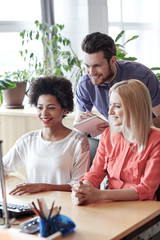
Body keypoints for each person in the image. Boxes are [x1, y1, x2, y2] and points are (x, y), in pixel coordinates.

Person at [72, 79, 160, 205]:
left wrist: (99, 194)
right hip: (110, 204)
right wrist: (84, 190)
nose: (110, 112)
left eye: (117, 106)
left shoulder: (156, 139)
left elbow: (146, 190)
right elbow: (94, 173)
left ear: (136, 108)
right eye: (111, 105)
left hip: (141, 209)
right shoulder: (108, 135)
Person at [3, 75, 90, 195]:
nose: (44, 113)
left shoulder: (78, 142)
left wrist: (42, 187)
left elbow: (79, 184)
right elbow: (4, 167)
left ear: (64, 110)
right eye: (40, 107)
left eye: (51, 108)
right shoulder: (28, 141)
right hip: (33, 206)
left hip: (66, 208)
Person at [74, 32, 160, 132]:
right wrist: (85, 125)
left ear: (113, 60)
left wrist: (125, 126)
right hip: (116, 140)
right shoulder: (85, 84)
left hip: (147, 136)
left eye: (97, 66)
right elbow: (78, 126)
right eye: (87, 66)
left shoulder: (142, 76)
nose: (92, 73)